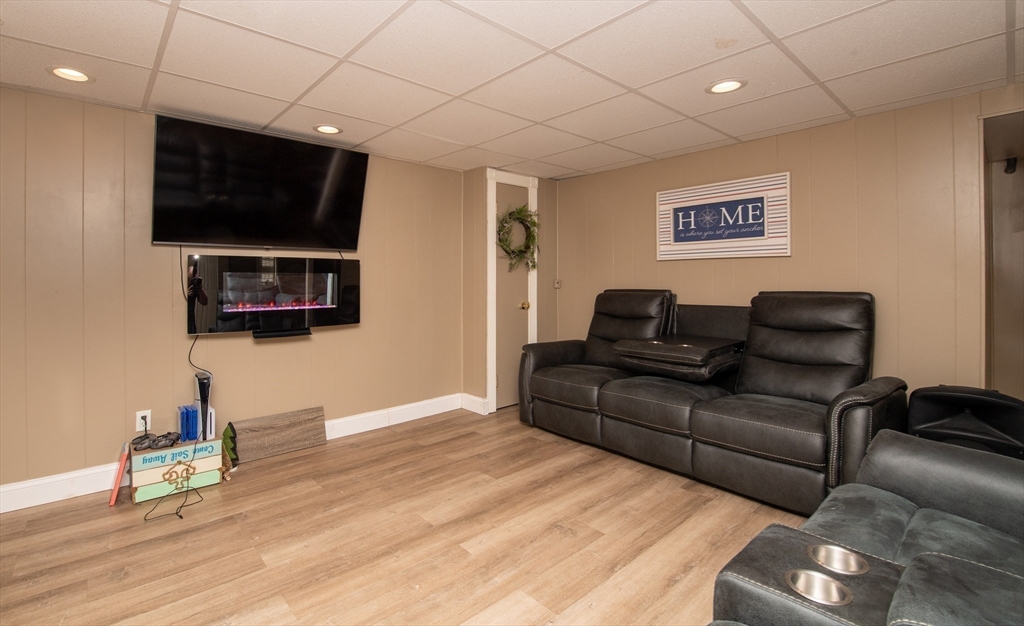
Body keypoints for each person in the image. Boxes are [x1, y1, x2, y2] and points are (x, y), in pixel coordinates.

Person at [187, 257, 208, 335]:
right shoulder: (180, 285)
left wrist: (200, 289)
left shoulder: (194, 286)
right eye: (191, 272)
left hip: (190, 320)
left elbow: (205, 302)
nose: (193, 275)